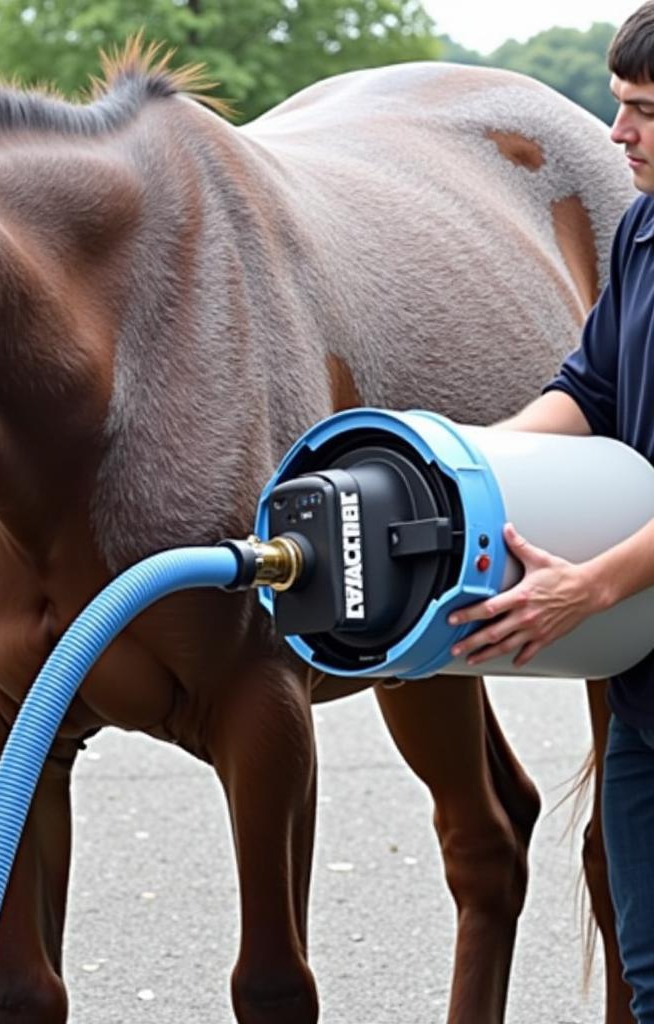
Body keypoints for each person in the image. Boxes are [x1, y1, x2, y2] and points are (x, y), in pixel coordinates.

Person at [447, 4, 654, 1018]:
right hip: (648, 688)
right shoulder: (643, 229)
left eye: (644, 113)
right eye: (618, 108)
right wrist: (461, 466)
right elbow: (592, 389)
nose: (617, 136)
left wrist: (591, 587)